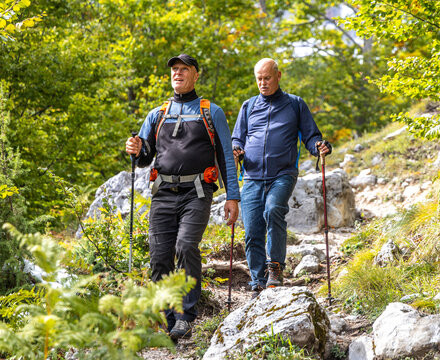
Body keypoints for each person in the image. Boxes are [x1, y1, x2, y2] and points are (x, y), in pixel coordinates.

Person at [125, 54, 240, 340]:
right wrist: (135, 147)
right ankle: (166, 320)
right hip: (162, 193)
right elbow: (143, 157)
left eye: (184, 69)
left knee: (186, 245)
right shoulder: (157, 114)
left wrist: (232, 197)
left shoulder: (211, 111)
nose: (178, 73)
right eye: (174, 69)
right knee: (159, 258)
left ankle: (186, 316)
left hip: (198, 192)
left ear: (195, 75)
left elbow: (226, 155)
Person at [231, 58, 331, 298]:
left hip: (283, 173)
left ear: (278, 76)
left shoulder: (295, 104)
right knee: (253, 226)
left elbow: (310, 135)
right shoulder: (248, 106)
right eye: (259, 79)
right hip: (252, 175)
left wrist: (318, 146)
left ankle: (275, 268)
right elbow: (237, 138)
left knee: (274, 209)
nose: (263, 83)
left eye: (267, 78)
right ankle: (257, 279)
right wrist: (236, 149)